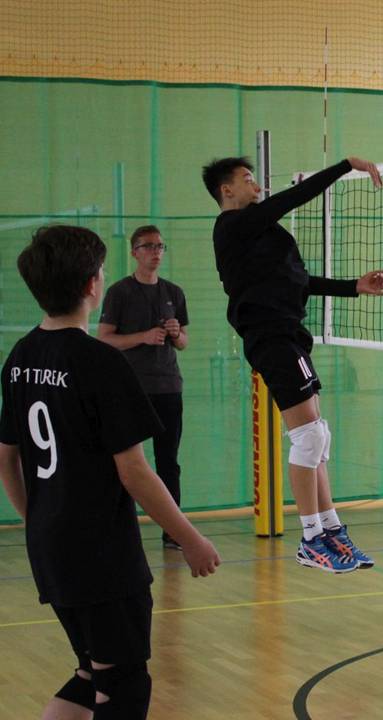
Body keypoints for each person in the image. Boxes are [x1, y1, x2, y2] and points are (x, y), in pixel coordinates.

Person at [0, 226, 220, 720]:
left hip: (50, 548)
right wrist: (190, 539)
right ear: (91, 285)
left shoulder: (20, 357)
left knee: (91, 672)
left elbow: (5, 458)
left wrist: (38, 520)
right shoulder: (100, 362)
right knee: (123, 684)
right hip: (100, 554)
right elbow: (135, 473)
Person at [201, 156, 383, 573]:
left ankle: (332, 530)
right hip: (270, 335)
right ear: (227, 190)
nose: (257, 186)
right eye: (248, 179)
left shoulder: (265, 235)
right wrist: (345, 165)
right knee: (307, 438)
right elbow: (293, 198)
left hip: (288, 333)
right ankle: (310, 539)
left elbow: (297, 279)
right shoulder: (232, 226)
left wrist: (353, 287)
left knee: (318, 435)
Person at [98, 225, 189, 550]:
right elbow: (104, 338)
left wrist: (176, 334)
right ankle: (116, 527)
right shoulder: (119, 292)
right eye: (148, 246)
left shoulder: (174, 292)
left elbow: (184, 342)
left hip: (168, 388)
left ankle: (173, 532)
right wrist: (143, 337)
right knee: (123, 461)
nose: (155, 252)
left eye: (160, 246)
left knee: (168, 462)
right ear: (134, 252)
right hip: (131, 389)